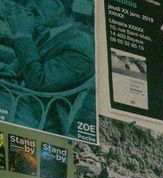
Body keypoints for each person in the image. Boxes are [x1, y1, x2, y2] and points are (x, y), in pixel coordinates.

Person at [0, 0, 95, 137]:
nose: (30, 8)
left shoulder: (79, 50)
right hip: (20, 96)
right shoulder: (48, 32)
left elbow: (39, 81)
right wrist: (8, 70)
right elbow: (23, 65)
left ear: (58, 6)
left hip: (38, 114)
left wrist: (23, 35)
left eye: (37, 3)